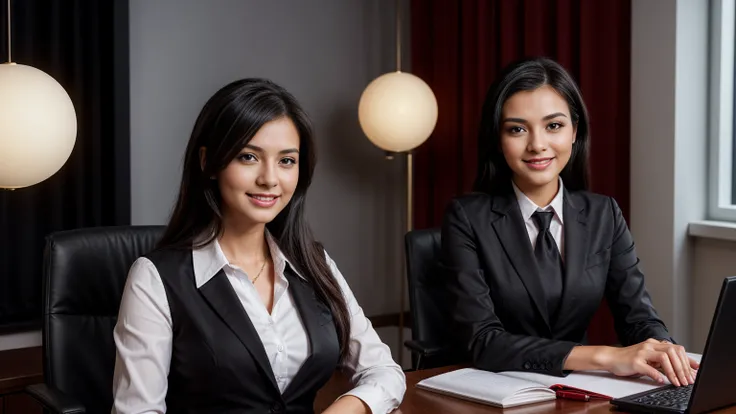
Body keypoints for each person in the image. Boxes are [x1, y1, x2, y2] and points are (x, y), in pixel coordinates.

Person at [112, 78, 405, 414]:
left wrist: (345, 409)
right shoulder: (155, 278)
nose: (270, 179)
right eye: (248, 156)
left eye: (286, 161)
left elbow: (384, 371)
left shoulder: (314, 262)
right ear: (208, 162)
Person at [440, 57, 698, 387]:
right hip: (491, 390)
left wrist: (663, 350)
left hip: (574, 391)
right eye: (517, 129)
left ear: (575, 131)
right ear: (498, 138)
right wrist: (604, 356)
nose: (537, 144)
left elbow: (638, 317)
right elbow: (482, 340)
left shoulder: (604, 213)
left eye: (554, 125)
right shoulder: (466, 217)